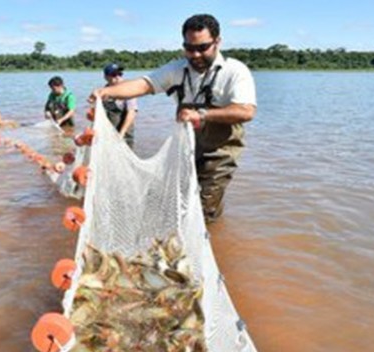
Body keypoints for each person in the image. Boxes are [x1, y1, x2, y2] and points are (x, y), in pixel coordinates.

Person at [90, 14, 256, 222]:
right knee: (179, 201)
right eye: (189, 48)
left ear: (217, 42)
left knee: (205, 207)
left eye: (202, 48)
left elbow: (246, 111)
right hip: (185, 148)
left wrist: (201, 114)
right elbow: (144, 85)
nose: (195, 54)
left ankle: (208, 244)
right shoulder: (177, 69)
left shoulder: (235, 71)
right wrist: (107, 93)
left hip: (219, 152)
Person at [100, 63, 138, 148]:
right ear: (106, 77)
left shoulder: (128, 89)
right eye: (113, 75)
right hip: (108, 134)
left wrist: (121, 134)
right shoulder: (104, 90)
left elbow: (132, 112)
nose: (118, 77)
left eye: (120, 74)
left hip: (124, 135)